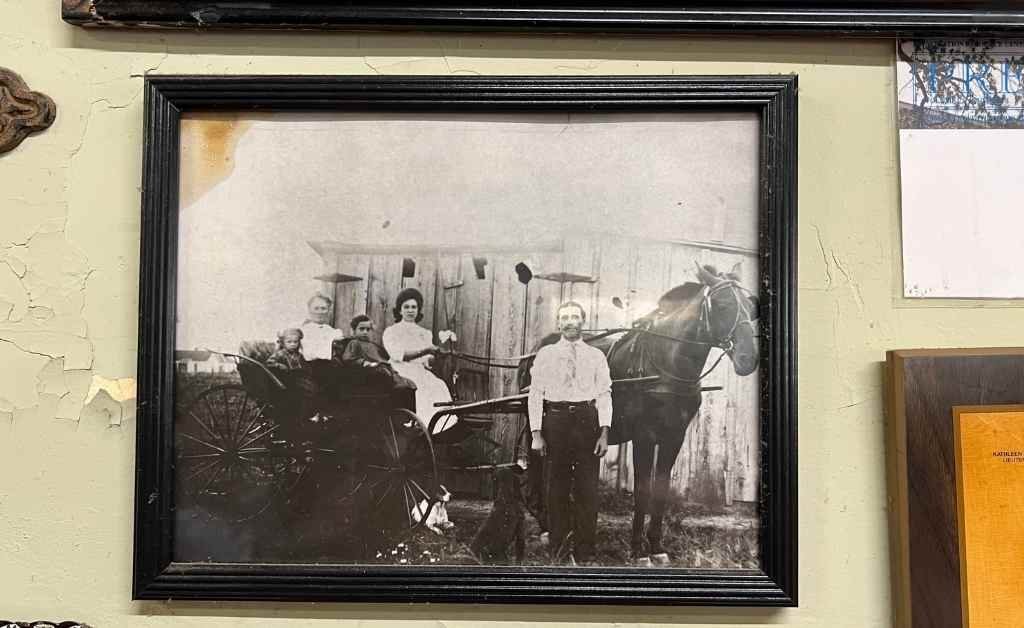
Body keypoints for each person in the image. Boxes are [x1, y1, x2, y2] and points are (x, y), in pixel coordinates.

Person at [528, 300, 612, 564]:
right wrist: (536, 433)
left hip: (587, 422)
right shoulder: (546, 354)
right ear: (558, 323)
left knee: (588, 488)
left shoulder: (596, 356)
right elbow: (535, 394)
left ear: (582, 321)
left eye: (575, 316)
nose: (570, 321)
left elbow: (604, 394)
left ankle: (586, 552)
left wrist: (604, 432)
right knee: (557, 488)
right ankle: (560, 550)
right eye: (564, 317)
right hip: (557, 421)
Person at [381, 288, 454, 431]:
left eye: (414, 307)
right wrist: (426, 349)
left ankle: (436, 428)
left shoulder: (424, 333)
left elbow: (427, 361)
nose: (410, 310)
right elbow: (399, 355)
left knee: (438, 385)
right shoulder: (391, 331)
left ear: (418, 309)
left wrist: (437, 355)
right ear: (400, 310)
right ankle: (416, 424)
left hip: (419, 370)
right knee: (417, 387)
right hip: (399, 369)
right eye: (406, 307)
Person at [341, 314, 417, 410]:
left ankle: (407, 414)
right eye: (362, 329)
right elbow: (348, 359)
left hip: (382, 369)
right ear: (354, 331)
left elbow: (383, 358)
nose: (365, 332)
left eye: (368, 330)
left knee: (409, 384)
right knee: (384, 374)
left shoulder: (373, 345)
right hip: (366, 373)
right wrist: (364, 362)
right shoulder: (354, 343)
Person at [298, 293, 346, 406]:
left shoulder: (333, 331)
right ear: (309, 310)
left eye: (323, 308)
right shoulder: (302, 330)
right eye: (316, 308)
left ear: (329, 311)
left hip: (328, 368)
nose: (319, 312)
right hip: (307, 368)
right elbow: (308, 354)